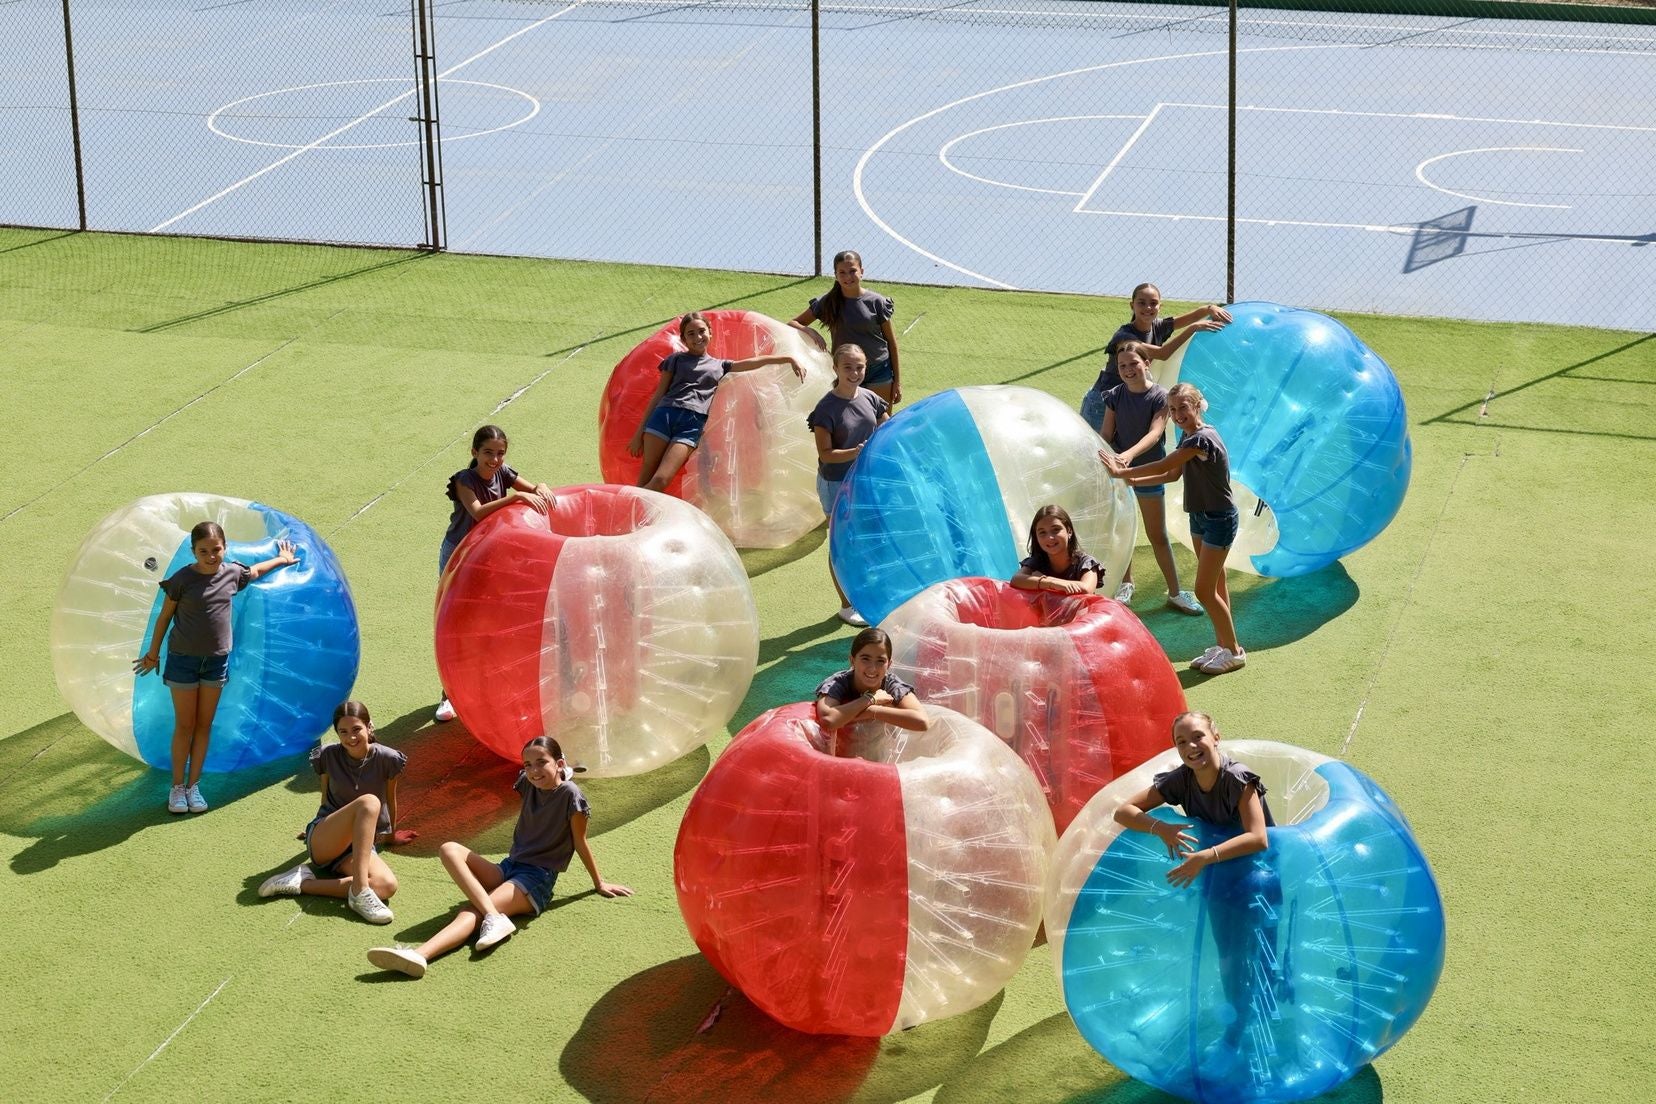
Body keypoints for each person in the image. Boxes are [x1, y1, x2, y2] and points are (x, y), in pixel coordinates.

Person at [364, 736, 631, 979]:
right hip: (510, 867)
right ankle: (494, 916)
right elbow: (537, 776)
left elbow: (579, 841)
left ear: (559, 763)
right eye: (528, 764)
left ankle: (419, 955)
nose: (534, 771)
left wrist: (599, 883)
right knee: (449, 849)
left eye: (542, 763)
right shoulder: (527, 782)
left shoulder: (571, 795)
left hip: (536, 878)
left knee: (472, 910)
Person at [1111, 711, 1280, 1049]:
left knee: (1259, 952)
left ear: (1215, 735)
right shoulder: (1181, 780)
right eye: (1181, 741)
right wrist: (1162, 828)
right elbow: (1123, 811)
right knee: (1228, 954)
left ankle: (1265, 1021)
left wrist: (1206, 856)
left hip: (1258, 877)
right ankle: (1236, 1028)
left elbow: (1259, 838)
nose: (1191, 746)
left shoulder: (1237, 779)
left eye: (1198, 736)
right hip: (1219, 878)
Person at [132, 522, 299, 814]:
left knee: (203, 726)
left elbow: (256, 571)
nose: (211, 556)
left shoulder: (232, 572)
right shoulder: (182, 579)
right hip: (182, 662)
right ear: (193, 551)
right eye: (203, 551)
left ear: (225, 547)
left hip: (216, 663)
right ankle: (176, 788)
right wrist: (153, 654)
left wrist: (282, 559)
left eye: (216, 549)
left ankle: (193, 785)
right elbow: (164, 618)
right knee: (185, 725)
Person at [1100, 383, 1246, 675]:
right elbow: (1171, 473)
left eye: (1183, 407)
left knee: (1204, 591)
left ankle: (1233, 651)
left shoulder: (1200, 440)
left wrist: (1122, 472)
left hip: (1218, 519)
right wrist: (1134, 482)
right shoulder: (1189, 437)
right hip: (1200, 517)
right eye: (1174, 409)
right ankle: (1224, 644)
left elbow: (1166, 462)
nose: (1178, 414)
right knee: (1216, 584)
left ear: (1196, 406)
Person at [435, 424, 557, 723]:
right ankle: (448, 695)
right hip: (460, 554)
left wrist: (540, 486)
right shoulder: (464, 480)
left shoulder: (505, 472)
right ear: (474, 452)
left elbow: (533, 490)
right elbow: (477, 512)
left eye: (500, 454)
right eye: (488, 453)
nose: (495, 460)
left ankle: (487, 688)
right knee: (456, 624)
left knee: (489, 621)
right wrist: (516, 499)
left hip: (488, 554)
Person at [257, 701, 406, 924]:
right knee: (369, 803)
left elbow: (391, 799)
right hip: (326, 840)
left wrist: (392, 835)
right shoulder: (327, 755)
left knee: (386, 885)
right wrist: (318, 833)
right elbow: (325, 799)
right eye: (343, 732)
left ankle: (302, 882)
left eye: (356, 729)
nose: (351, 738)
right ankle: (359, 892)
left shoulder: (388, 758)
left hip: (356, 846)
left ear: (369, 727)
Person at [629, 311, 805, 493]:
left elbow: (753, 362)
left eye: (701, 331)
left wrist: (787, 358)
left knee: (660, 479)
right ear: (683, 339)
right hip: (664, 416)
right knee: (646, 474)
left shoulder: (720, 366)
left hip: (690, 425)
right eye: (691, 334)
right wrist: (638, 434)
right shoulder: (675, 360)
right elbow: (658, 395)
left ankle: (635, 508)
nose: (697, 337)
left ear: (710, 332)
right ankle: (633, 516)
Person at [1101, 341, 1201, 614]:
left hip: (1148, 471)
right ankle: (1125, 584)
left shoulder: (1160, 397)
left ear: (1147, 363)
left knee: (1157, 534)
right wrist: (1108, 460)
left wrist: (1128, 456)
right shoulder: (1114, 395)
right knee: (1122, 530)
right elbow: (1106, 435)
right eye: (1122, 366)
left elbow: (1155, 433)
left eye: (1133, 363)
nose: (1128, 369)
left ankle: (1176, 592)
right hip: (1119, 473)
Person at [807, 344, 890, 626]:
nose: (854, 373)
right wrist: (859, 451)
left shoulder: (870, 398)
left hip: (864, 480)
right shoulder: (825, 409)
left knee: (869, 538)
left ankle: (868, 594)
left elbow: (887, 428)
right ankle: (846, 604)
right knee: (841, 544)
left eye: (859, 367)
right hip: (836, 483)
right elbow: (825, 454)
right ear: (835, 369)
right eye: (848, 368)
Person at [1080, 282, 1230, 431]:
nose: (1148, 308)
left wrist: (1210, 308)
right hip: (1102, 402)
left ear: (1160, 306)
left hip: (1127, 401)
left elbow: (1189, 317)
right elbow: (1162, 353)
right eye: (1142, 303)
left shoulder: (1157, 327)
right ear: (1132, 306)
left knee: (1116, 450)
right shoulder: (1124, 337)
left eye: (1153, 303)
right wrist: (1193, 328)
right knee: (1094, 450)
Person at [789, 250, 901, 406]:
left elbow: (891, 343)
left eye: (853, 271)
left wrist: (897, 382)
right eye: (842, 272)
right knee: (849, 423)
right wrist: (811, 331)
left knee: (881, 426)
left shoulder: (877, 302)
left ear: (862, 272)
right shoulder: (827, 302)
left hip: (879, 371)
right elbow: (793, 323)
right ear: (835, 275)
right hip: (845, 371)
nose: (848, 276)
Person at [814, 628, 930, 750]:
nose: (872, 668)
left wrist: (872, 711)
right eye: (865, 659)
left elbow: (922, 721)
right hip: (841, 750)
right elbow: (828, 720)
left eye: (880, 661)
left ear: (889, 664)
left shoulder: (891, 684)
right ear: (852, 660)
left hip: (881, 750)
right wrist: (870, 698)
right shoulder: (838, 682)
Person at [1010, 504, 1103, 595]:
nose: (1049, 537)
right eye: (1042, 532)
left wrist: (1043, 580)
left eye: (1056, 530)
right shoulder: (1038, 561)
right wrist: (1051, 583)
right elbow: (1016, 580)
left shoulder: (1085, 563)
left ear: (1069, 531)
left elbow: (1087, 589)